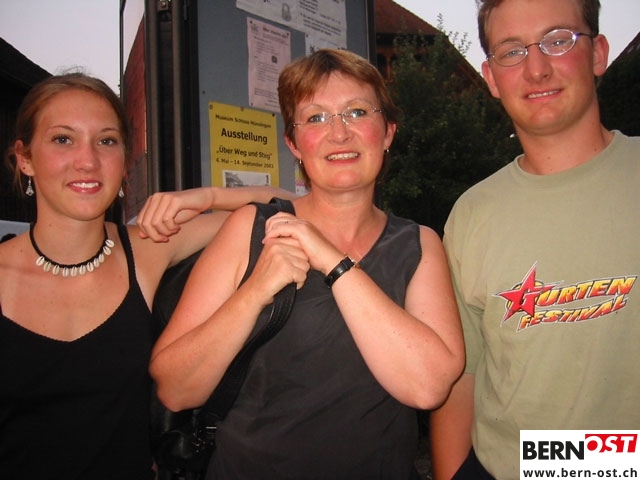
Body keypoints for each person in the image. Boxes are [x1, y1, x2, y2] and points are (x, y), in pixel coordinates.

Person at [150, 48, 464, 479]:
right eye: (316, 118)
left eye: (357, 112)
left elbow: (428, 387)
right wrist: (254, 292)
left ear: (388, 132)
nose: (339, 133)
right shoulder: (250, 228)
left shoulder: (419, 244)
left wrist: (333, 262)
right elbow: (175, 388)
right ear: (294, 144)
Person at [0, 72, 292, 479]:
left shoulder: (149, 247)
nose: (87, 161)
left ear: (125, 163)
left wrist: (207, 195)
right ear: (25, 158)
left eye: (106, 141)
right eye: (63, 139)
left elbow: (292, 207)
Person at [430, 1, 640, 479]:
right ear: (490, 76)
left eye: (558, 40)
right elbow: (462, 376)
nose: (537, 68)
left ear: (598, 53)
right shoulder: (470, 215)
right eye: (512, 51)